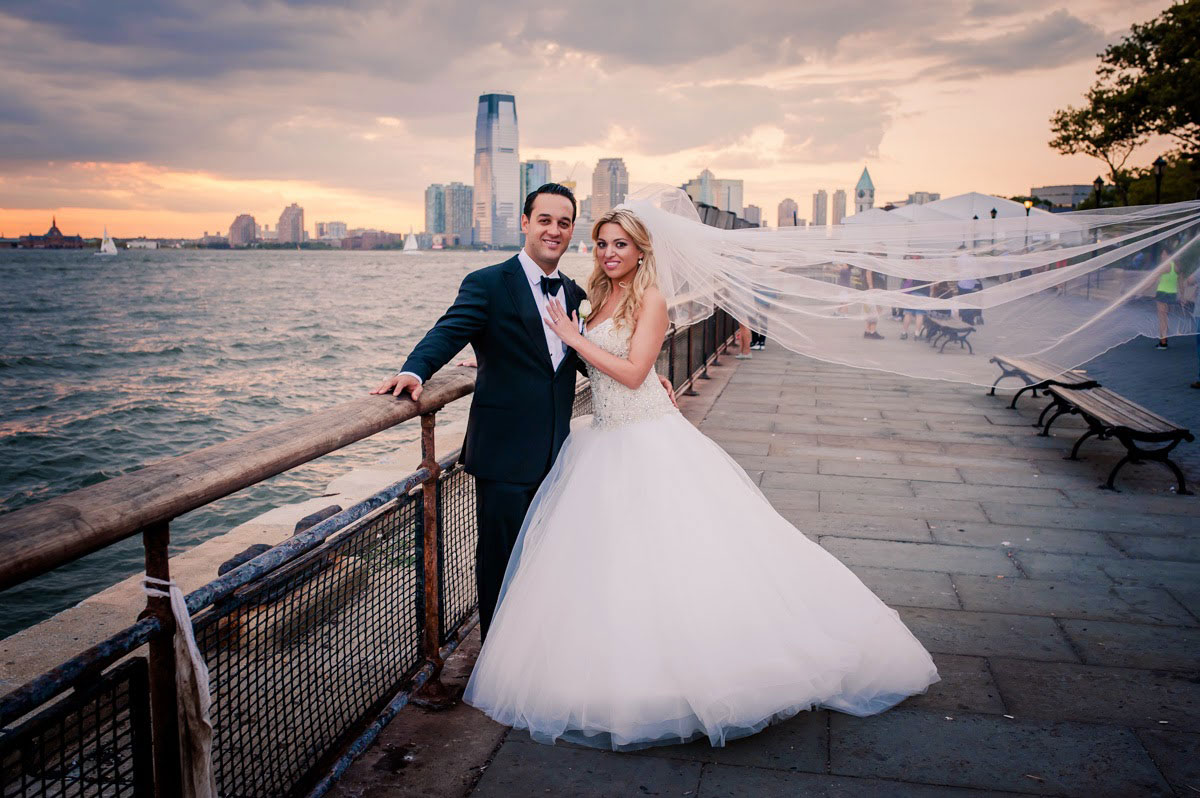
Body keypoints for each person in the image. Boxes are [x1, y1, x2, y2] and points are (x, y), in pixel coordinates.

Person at [463, 207, 939, 751]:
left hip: (646, 438)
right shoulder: (594, 298)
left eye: (621, 245)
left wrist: (574, 336)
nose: (610, 253)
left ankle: (706, 672)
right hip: (602, 435)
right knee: (613, 565)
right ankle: (621, 670)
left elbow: (633, 370)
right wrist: (499, 358)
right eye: (601, 244)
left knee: (677, 557)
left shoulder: (650, 299)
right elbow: (585, 362)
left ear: (642, 251)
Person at [370, 183, 675, 640]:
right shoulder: (488, 283)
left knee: (552, 559)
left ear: (572, 231)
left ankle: (539, 649)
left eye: (564, 223)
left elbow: (579, 354)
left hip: (562, 452)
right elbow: (449, 331)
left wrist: (647, 379)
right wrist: (414, 371)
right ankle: (497, 653)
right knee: (500, 561)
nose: (554, 230)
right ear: (526, 223)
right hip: (505, 453)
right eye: (546, 220)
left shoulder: (576, 293)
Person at [1155, 255, 1180, 350]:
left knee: (1162, 319)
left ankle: (1163, 342)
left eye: (1164, 254)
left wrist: (1141, 289)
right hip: (1172, 294)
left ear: (1169, 255)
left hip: (1162, 293)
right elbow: (1181, 283)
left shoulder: (1165, 266)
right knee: (1165, 318)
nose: (1162, 256)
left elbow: (1152, 278)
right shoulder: (1177, 267)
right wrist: (1182, 296)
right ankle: (1164, 340)